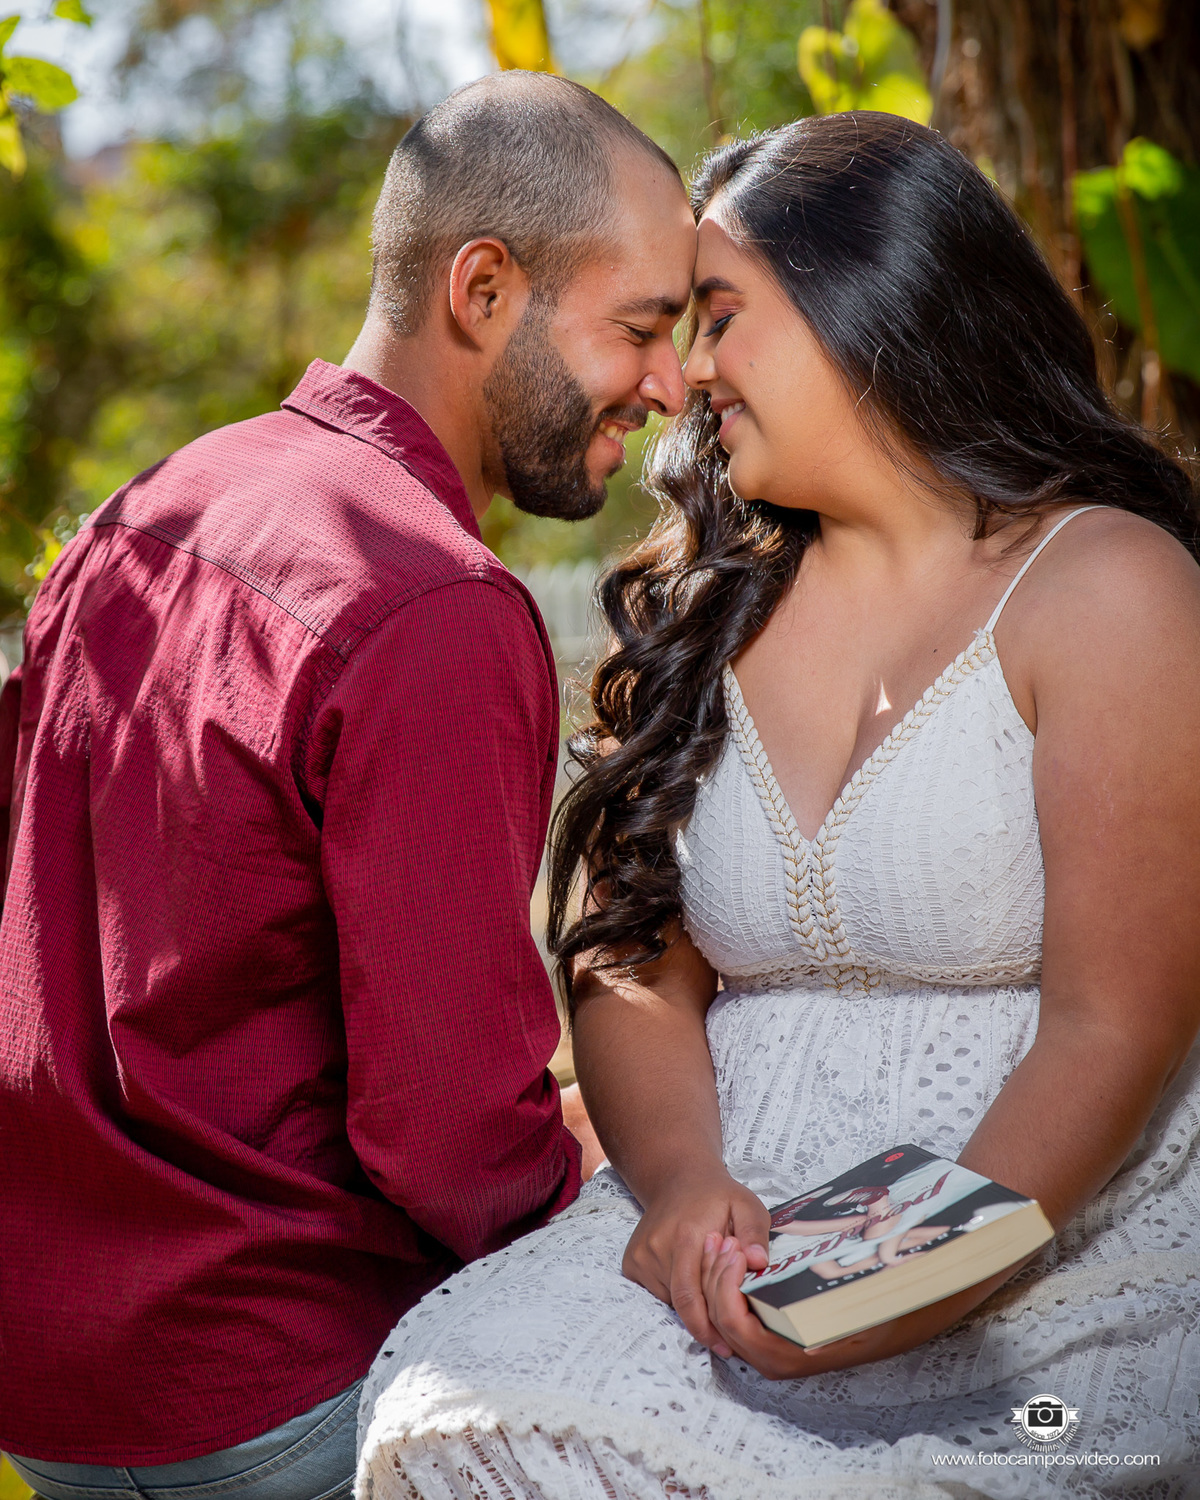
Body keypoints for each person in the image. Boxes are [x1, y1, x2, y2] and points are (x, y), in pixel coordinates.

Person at [356, 113, 1200, 1497]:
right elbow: (631, 961)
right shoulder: (704, 609)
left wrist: (894, 1281)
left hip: (1042, 1234)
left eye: (720, 316)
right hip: (724, 1236)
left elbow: (1119, 1023)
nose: (685, 371)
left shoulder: (1107, 586)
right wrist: (685, 1183)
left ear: (871, 301)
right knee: (462, 1416)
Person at [0, 73, 694, 1499]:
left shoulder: (141, 515)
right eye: (640, 328)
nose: (671, 386)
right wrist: (617, 1184)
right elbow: (452, 1143)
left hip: (52, 1386)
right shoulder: (431, 603)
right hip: (285, 1387)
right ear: (484, 289)